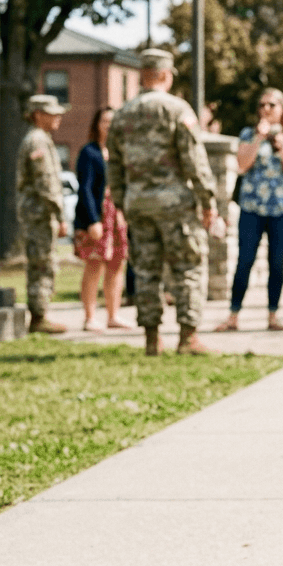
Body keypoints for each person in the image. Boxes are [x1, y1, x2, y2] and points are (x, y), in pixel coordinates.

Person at [107, 49, 219, 356]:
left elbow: (113, 165)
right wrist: (208, 201)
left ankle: (151, 338)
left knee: (146, 270)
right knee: (188, 267)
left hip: (138, 203)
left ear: (143, 74)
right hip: (175, 205)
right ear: (165, 75)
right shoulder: (177, 110)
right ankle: (187, 337)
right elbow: (194, 160)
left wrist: (122, 201)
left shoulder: (122, 114)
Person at [214, 88, 283, 333]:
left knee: (276, 263)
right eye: (262, 105)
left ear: (282, 109)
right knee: (244, 261)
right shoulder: (248, 134)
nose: (266, 109)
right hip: (252, 208)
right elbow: (242, 165)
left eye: (272, 105)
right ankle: (233, 316)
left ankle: (273, 316)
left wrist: (282, 147)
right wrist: (258, 138)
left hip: (282, 210)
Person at [16, 95, 70, 335]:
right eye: (52, 112)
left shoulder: (39, 138)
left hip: (38, 212)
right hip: (39, 213)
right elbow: (45, 182)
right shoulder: (37, 140)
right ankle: (39, 316)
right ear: (37, 114)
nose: (58, 116)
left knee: (43, 261)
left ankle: (41, 312)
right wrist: (59, 214)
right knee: (42, 263)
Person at [74, 107, 131, 331]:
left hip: (118, 214)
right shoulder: (89, 152)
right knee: (94, 264)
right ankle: (89, 317)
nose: (109, 125)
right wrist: (92, 221)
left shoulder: (119, 152)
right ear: (97, 124)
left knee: (117, 264)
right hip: (98, 215)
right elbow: (85, 189)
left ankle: (113, 315)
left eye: (113, 121)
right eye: (105, 121)